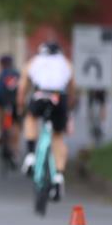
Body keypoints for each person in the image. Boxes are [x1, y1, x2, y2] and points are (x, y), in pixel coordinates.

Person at [17, 40, 76, 202]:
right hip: (59, 97)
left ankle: (30, 155)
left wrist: (20, 105)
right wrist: (69, 108)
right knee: (57, 137)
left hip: (40, 95)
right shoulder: (66, 63)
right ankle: (58, 177)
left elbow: (23, 87)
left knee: (31, 118)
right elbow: (72, 89)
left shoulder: (34, 61)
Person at [0, 54, 21, 157]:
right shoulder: (17, 73)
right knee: (16, 124)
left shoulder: (1, 74)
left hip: (3, 102)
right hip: (15, 102)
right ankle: (16, 150)